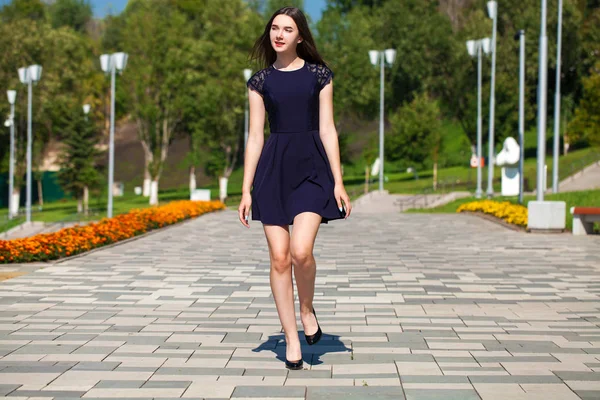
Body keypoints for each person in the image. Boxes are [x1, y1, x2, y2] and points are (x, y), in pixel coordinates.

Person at [237, 6, 352, 370]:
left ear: (300, 36)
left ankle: (306, 310)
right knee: (279, 257)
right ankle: (290, 337)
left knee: (301, 252)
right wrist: (245, 189)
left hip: (311, 169)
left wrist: (339, 180)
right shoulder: (260, 82)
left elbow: (328, 129)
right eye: (275, 28)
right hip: (273, 171)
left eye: (288, 29)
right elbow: (255, 137)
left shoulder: (319, 75)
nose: (279, 34)